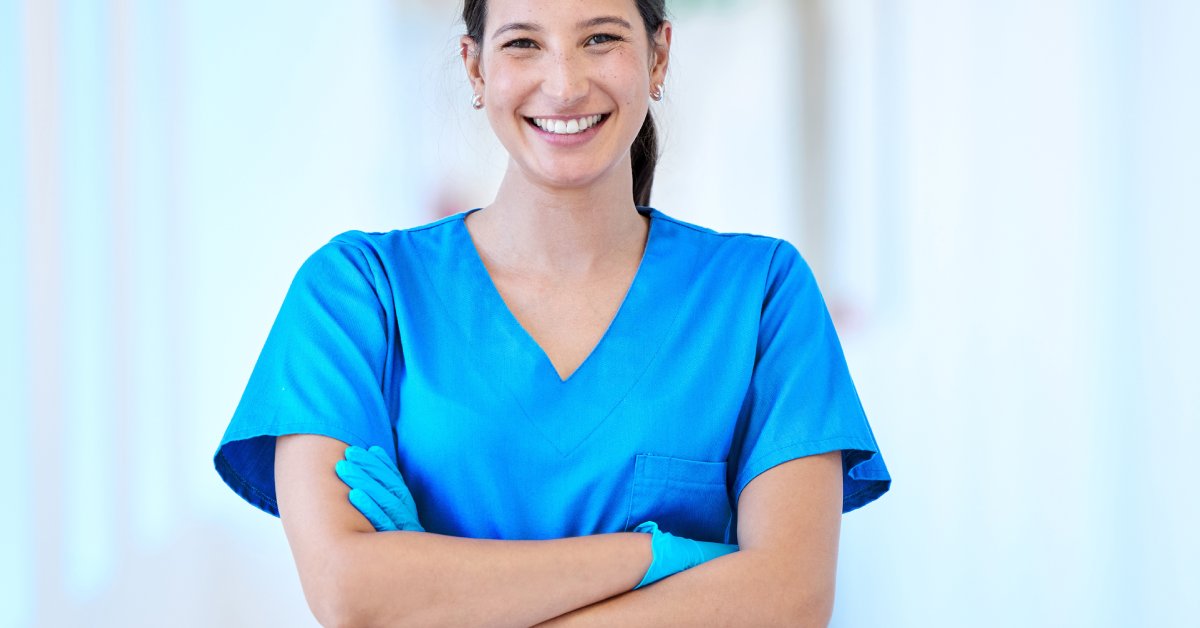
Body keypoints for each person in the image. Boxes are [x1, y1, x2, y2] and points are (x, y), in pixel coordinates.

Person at [212, 0, 891, 625]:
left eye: (601, 38)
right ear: (475, 67)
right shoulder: (358, 294)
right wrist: (655, 559)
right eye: (524, 44)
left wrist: (440, 600)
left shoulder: (763, 294)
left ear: (658, 57)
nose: (564, 84)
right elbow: (350, 593)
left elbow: (790, 599)